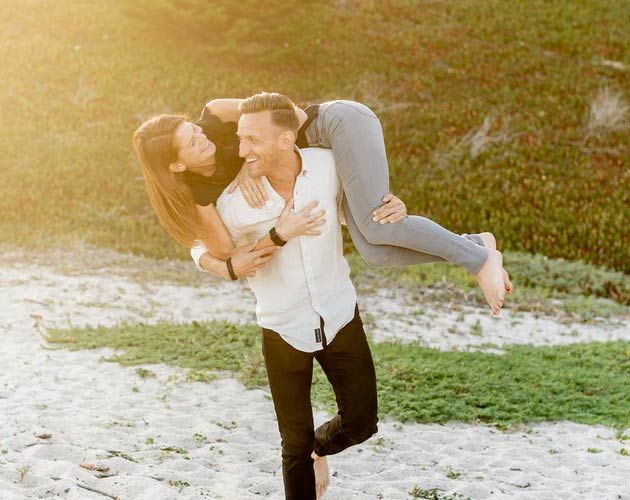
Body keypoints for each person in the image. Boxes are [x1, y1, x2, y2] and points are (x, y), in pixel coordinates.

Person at [133, 96, 512, 314]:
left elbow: (291, 115)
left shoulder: (216, 113)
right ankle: (476, 244)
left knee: (378, 225)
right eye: (192, 141)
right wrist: (219, 263)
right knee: (377, 253)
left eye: (194, 129)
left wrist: (253, 163)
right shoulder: (199, 193)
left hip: (334, 124)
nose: (202, 136)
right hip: (327, 159)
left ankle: (478, 261)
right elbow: (221, 249)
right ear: (177, 165)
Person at [191, 92, 379, 499]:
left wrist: (390, 205)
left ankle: (320, 447)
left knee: (362, 423)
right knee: (292, 446)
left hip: (339, 313)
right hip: (282, 327)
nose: (241, 151)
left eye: (252, 141)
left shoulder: (328, 166)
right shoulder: (233, 203)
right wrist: (221, 263)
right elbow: (197, 242)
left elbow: (361, 206)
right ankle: (306, 451)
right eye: (239, 139)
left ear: (286, 139)